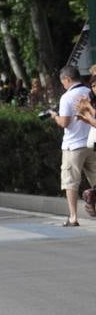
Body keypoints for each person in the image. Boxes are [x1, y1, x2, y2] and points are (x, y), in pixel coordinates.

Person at [49, 64, 95, 225]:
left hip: (73, 146)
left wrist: (54, 116)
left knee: (71, 182)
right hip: (92, 143)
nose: (63, 85)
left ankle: (73, 217)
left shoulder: (66, 97)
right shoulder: (90, 92)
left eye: (63, 82)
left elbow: (65, 122)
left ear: (67, 79)